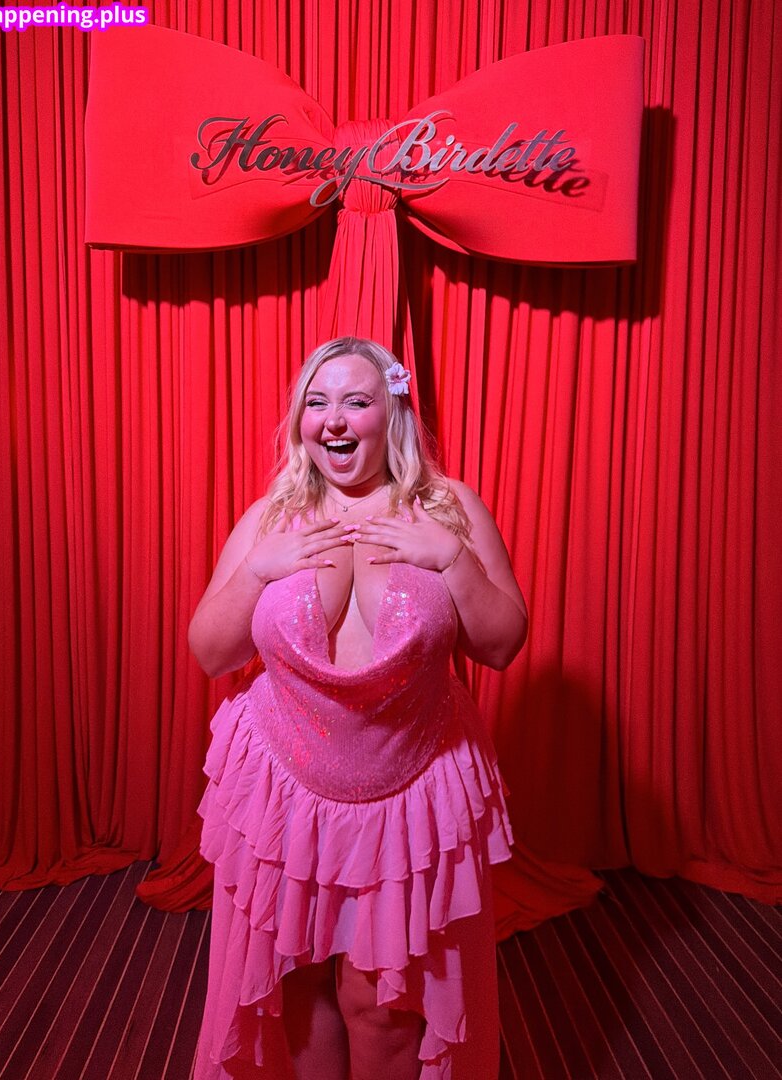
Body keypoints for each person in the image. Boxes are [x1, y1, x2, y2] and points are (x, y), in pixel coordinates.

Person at [188, 337, 528, 1080]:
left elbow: (502, 644)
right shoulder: (269, 518)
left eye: (355, 401)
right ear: (300, 420)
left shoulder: (449, 509)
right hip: (286, 790)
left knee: (382, 1005)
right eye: (317, 402)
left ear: (391, 414)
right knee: (299, 988)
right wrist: (257, 572)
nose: (334, 419)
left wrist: (450, 558)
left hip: (409, 793)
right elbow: (211, 652)